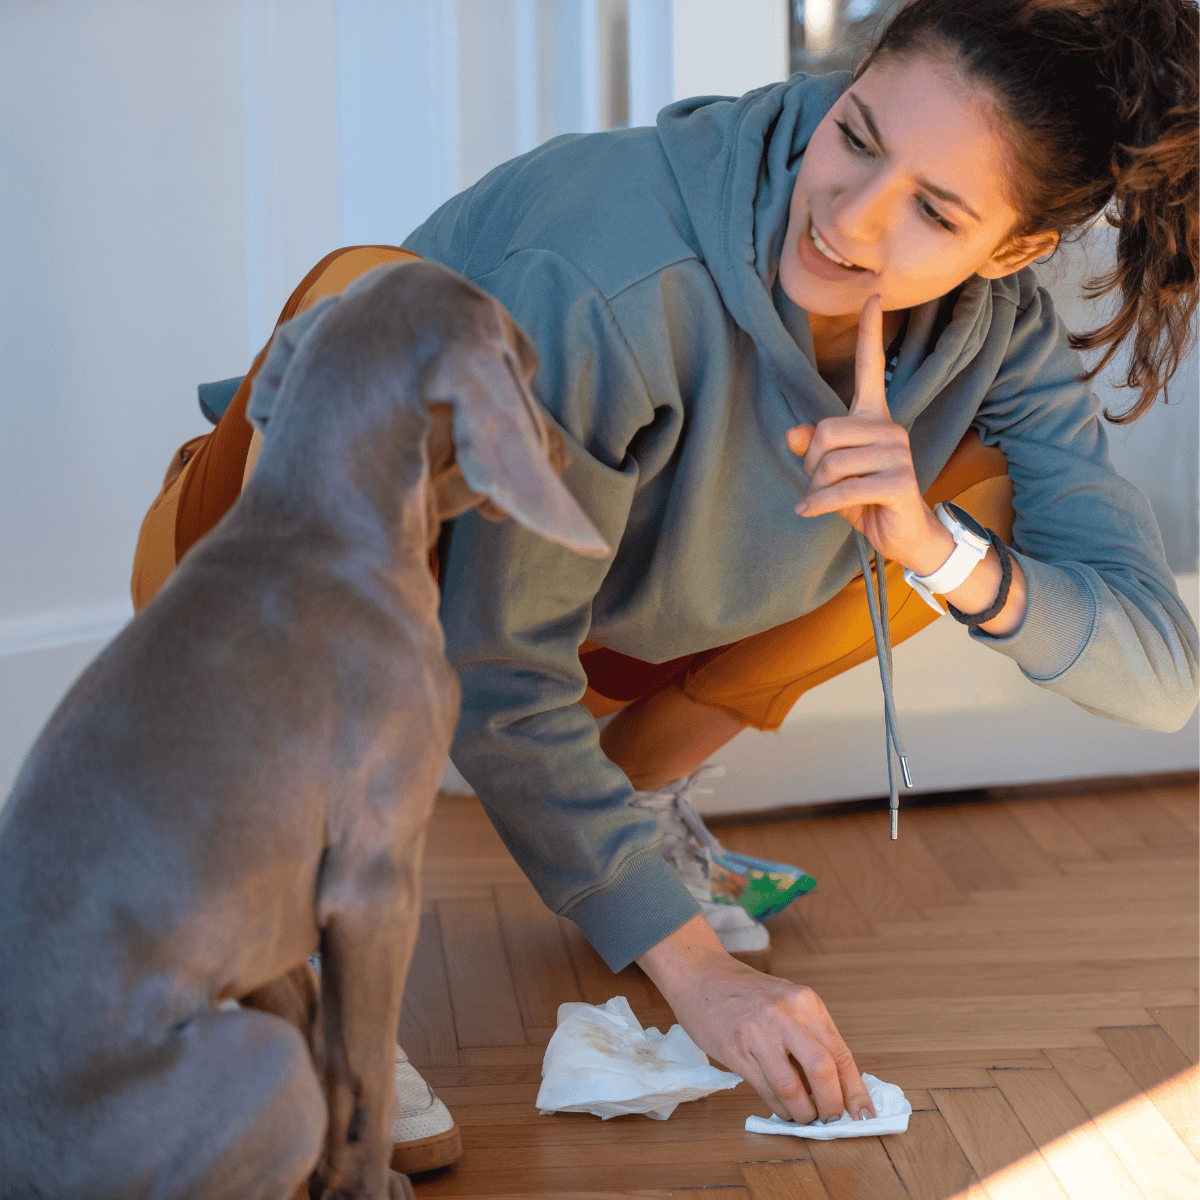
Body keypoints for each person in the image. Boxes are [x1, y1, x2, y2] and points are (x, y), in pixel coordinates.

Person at [135, 0, 1199, 1130]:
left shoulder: (997, 329)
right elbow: (498, 666)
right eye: (857, 136)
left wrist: (937, 553)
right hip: (261, 582)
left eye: (934, 210)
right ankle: (309, 972)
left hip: (585, 612)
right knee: (365, 302)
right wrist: (703, 976)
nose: (848, 216)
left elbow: (1161, 679)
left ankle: (632, 809)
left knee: (957, 502)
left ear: (1019, 248)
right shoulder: (615, 273)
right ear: (845, 87)